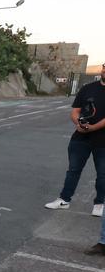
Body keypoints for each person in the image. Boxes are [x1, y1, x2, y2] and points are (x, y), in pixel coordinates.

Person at [44, 63, 105, 217]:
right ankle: (64, 200)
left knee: (103, 174)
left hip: (103, 141)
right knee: (73, 170)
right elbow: (75, 111)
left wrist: (92, 128)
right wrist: (79, 124)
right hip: (80, 138)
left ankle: (99, 203)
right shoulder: (87, 88)